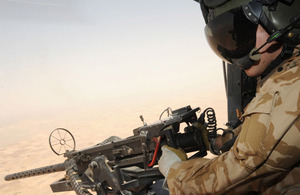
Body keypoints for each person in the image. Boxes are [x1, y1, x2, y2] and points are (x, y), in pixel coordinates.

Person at [158, 0, 300, 194]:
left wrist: (174, 171)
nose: (232, 50)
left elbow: (242, 169)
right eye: (224, 40)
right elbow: (265, 130)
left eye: (240, 35)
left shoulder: (291, 82)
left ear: (278, 20)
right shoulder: (288, 70)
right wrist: (219, 141)